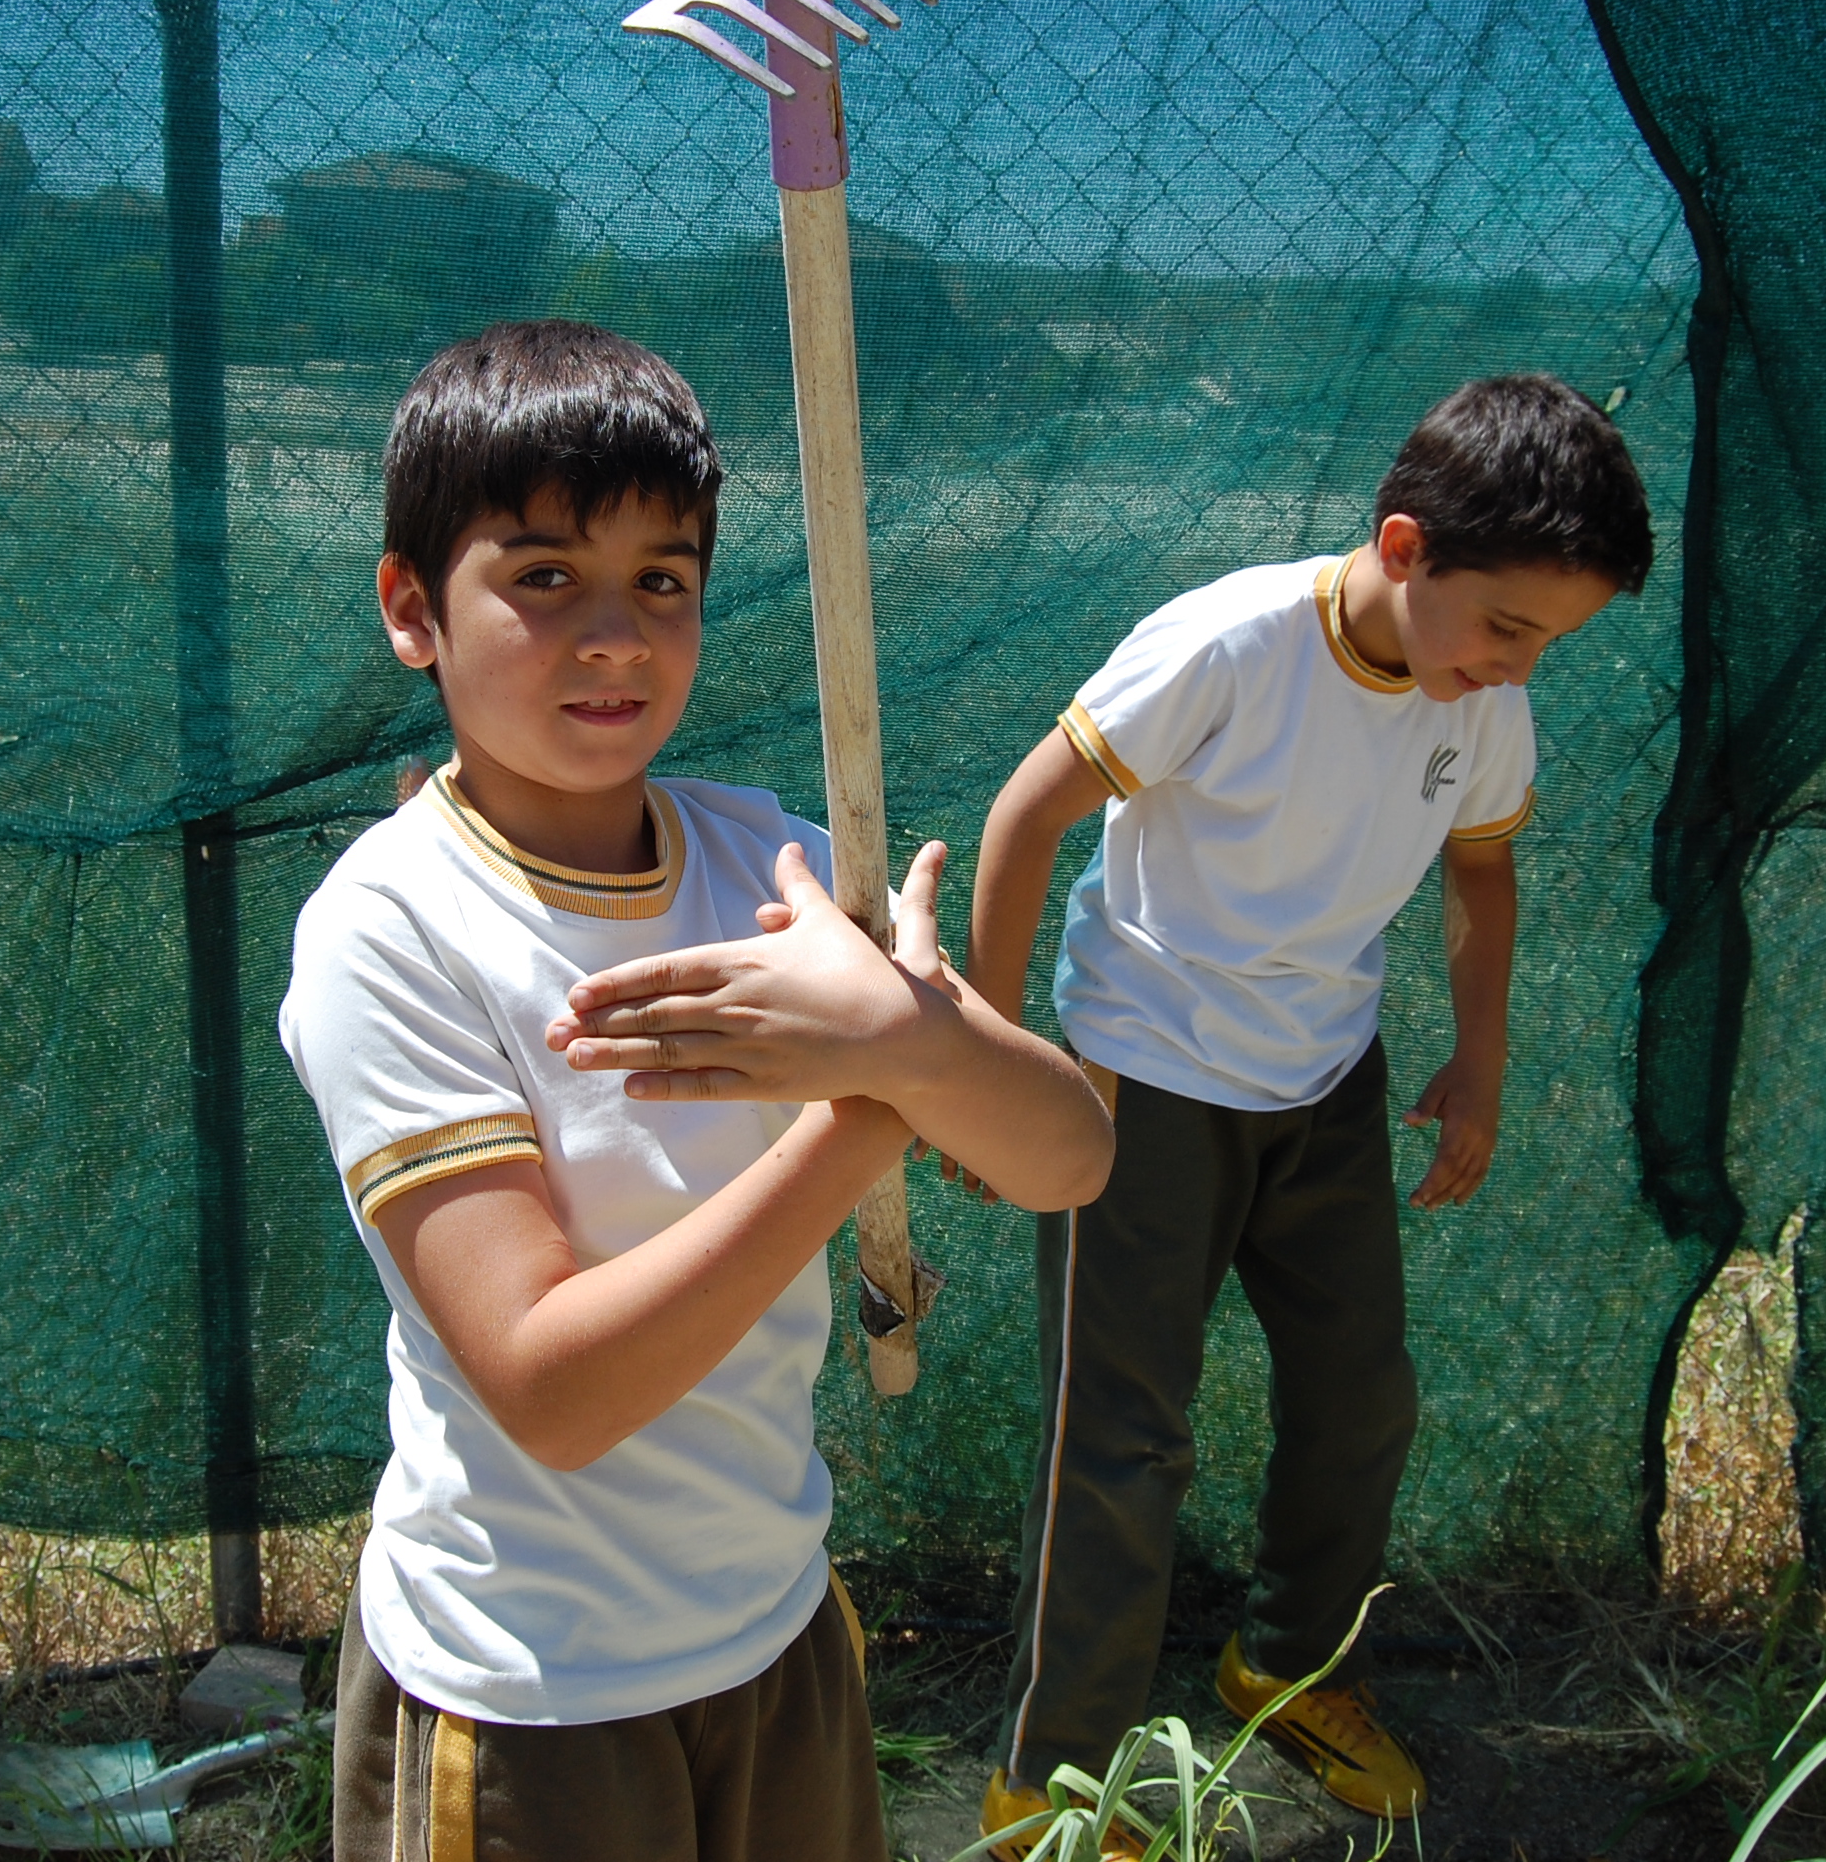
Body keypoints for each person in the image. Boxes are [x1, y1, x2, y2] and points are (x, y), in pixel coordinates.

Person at [277, 320, 1113, 1862]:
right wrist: (862, 1106)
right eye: (543, 578)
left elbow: (1069, 1158)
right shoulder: (393, 931)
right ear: (413, 610)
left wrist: (922, 1039)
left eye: (663, 581)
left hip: (775, 1635)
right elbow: (554, 1392)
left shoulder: (768, 864)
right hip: (528, 1699)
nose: (616, 636)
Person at [963, 375, 1653, 1852]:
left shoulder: (1485, 701)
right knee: (1122, 1446)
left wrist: (1482, 1057)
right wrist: (990, 1059)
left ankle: (1285, 1668)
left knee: (1361, 1399)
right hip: (1138, 1084)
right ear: (1406, 549)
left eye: (1550, 643)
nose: (1520, 669)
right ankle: (1049, 1784)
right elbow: (1028, 816)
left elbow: (1482, 870)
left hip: (1324, 1081)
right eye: (1510, 628)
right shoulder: (1230, 646)